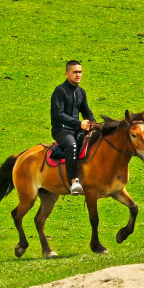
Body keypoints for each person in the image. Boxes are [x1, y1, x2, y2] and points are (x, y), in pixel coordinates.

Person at [51, 60, 98, 195]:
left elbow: (86, 111)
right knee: (72, 146)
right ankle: (73, 182)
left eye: (80, 72)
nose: (78, 75)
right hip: (61, 130)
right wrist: (79, 124)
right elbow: (58, 114)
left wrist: (94, 124)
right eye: (75, 72)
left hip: (76, 129)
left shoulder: (81, 92)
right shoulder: (59, 91)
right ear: (67, 73)